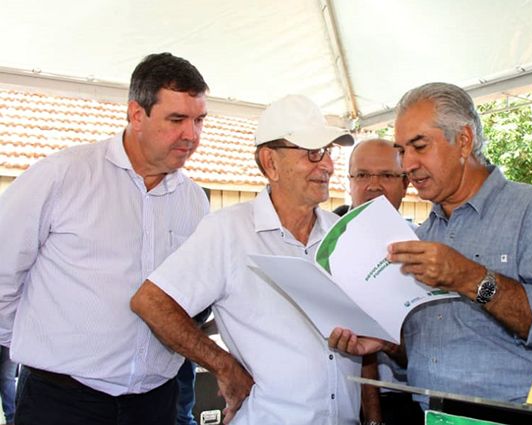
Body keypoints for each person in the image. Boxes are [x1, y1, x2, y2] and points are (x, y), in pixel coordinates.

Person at [331, 82, 532, 409]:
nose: (407, 164)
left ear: (464, 141)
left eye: (419, 146)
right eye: (402, 151)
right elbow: (427, 351)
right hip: (433, 414)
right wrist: (387, 344)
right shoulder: (422, 236)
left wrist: (471, 278)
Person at [0, 53, 210, 424]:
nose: (191, 135)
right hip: (61, 402)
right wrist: (36, 346)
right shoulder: (62, 177)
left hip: (155, 403)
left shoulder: (193, 200)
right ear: (136, 114)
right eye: (176, 119)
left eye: (198, 120)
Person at [130, 94, 360, 424]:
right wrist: (223, 366)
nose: (326, 165)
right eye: (313, 153)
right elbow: (151, 302)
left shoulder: (343, 234)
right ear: (271, 163)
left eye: (328, 152)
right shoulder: (228, 231)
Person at [340, 138, 420, 425]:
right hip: (338, 403)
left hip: (407, 404)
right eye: (362, 175)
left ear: (405, 184)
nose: (373, 185)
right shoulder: (320, 247)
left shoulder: (425, 249)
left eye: (386, 175)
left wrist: (389, 343)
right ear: (349, 182)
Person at [0, 345, 16, 425]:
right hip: (11, 339)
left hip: (10, 339)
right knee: (8, 380)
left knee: (8, 380)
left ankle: (12, 418)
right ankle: (12, 419)